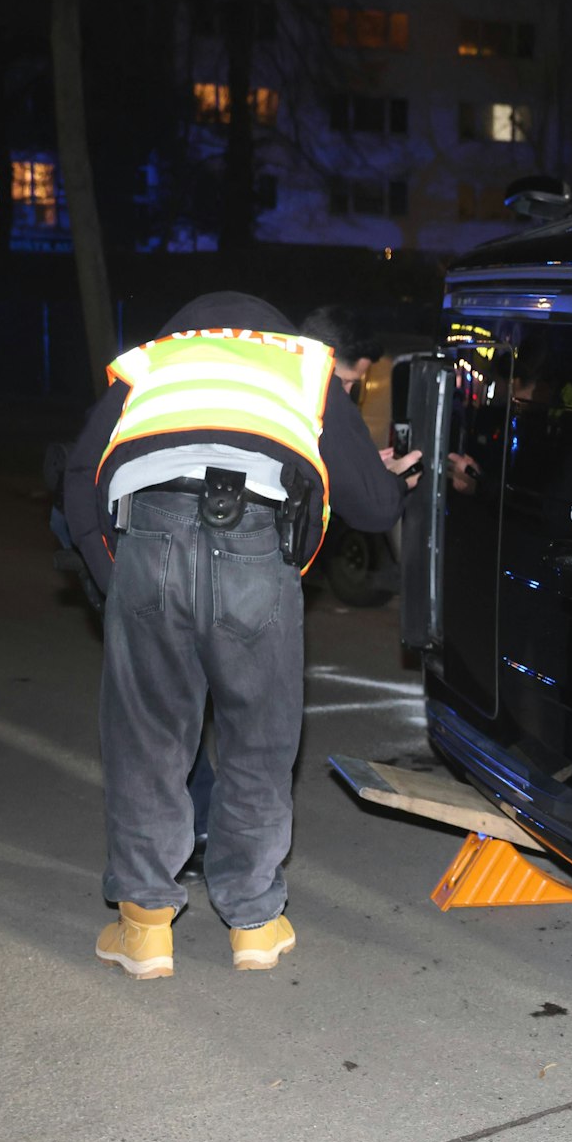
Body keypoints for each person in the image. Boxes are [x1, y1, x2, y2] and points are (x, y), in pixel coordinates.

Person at [64, 291, 419, 978]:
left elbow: (81, 473)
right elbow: (374, 508)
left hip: (149, 535)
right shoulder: (304, 365)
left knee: (148, 737)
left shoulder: (152, 361)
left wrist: (118, 577)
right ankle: (254, 921)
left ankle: (144, 929)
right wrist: (395, 482)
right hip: (257, 539)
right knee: (261, 736)